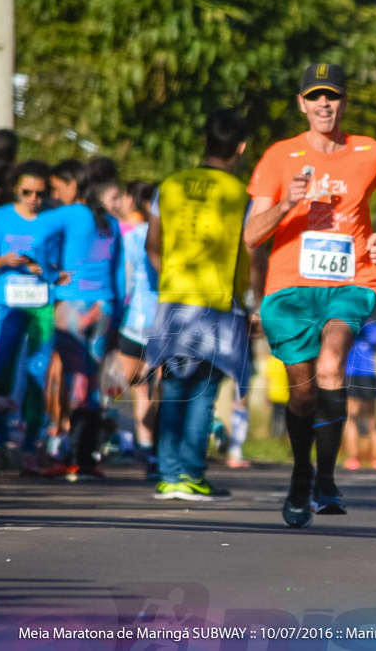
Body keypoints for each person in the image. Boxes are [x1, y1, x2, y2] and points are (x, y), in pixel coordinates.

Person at [244, 63, 376, 528]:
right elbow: (252, 235)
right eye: (315, 97)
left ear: (344, 101)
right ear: (302, 104)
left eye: (332, 96)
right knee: (303, 392)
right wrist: (286, 203)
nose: (324, 105)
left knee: (332, 364)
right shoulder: (278, 157)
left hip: (350, 282)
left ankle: (327, 480)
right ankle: (300, 473)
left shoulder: (368, 152)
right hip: (290, 289)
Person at [145, 108, 255, 501]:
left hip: (173, 299)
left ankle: (168, 473)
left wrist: (171, 278)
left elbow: (152, 245)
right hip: (218, 301)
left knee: (173, 386)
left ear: (205, 140)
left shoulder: (170, 185)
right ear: (240, 147)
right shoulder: (241, 194)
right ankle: (191, 473)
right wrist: (253, 302)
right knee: (205, 390)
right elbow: (250, 250)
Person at [45, 174, 126, 479]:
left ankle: (75, 455)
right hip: (103, 307)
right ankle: (86, 458)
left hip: (71, 307)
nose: (120, 203)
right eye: (115, 197)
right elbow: (119, 277)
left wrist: (50, 272)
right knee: (91, 382)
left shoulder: (70, 215)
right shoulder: (109, 224)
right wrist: (118, 315)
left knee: (76, 381)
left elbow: (36, 235)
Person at [0, 161, 58, 472]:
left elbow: (65, 264)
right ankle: (0, 442)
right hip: (7, 302)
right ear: (16, 188)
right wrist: (2, 259)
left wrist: (46, 268)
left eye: (39, 193)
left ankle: (31, 445)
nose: (33, 198)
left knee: (37, 372)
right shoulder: (0, 217)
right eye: (27, 191)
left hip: (41, 304)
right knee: (2, 369)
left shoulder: (54, 219)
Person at [116, 181, 160, 479]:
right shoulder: (132, 238)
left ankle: (152, 451)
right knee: (133, 383)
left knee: (157, 388)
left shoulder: (176, 240)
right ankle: (140, 445)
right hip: (133, 322)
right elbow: (125, 279)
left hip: (162, 324)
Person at [342, 318, 376, 470]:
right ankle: (375, 458)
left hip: (357, 373)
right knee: (368, 417)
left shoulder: (346, 322)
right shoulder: (374, 326)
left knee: (356, 416)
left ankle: (356, 458)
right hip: (364, 373)